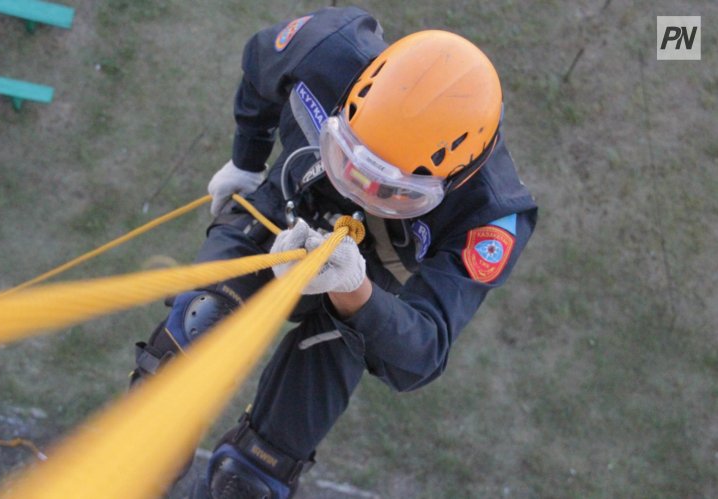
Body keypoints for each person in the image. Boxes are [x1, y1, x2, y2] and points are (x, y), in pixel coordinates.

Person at [130, 6, 537, 499]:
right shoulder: (326, 50)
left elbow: (422, 352)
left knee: (250, 480)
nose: (361, 192)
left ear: (453, 180)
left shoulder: (490, 215)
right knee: (184, 346)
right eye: (350, 159)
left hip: (368, 292)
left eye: (392, 192)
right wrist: (246, 161)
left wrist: (355, 292)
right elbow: (262, 66)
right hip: (286, 205)